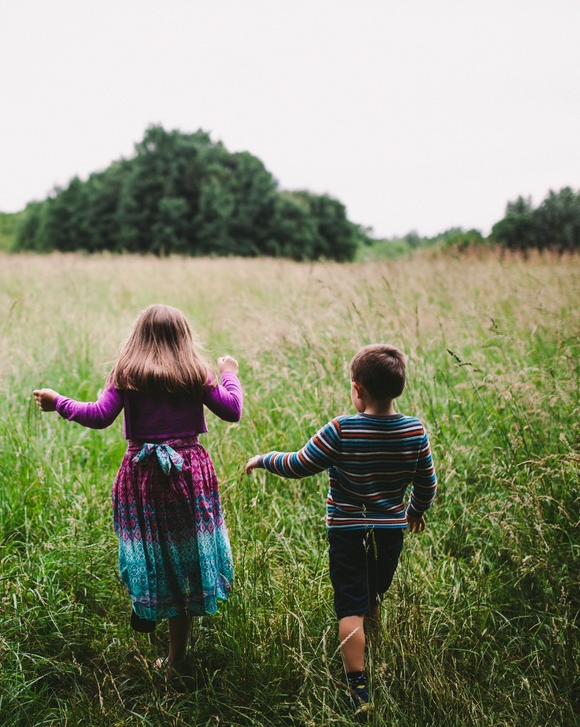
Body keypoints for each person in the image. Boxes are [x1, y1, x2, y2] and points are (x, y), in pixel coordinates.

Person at [33, 304, 243, 678]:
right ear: (185, 339)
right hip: (187, 474)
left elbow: (98, 416)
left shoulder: (127, 373)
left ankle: (148, 601)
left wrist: (58, 403)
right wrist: (230, 374)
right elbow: (232, 411)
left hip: (142, 474)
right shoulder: (197, 373)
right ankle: (176, 654)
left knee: (149, 548)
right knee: (184, 553)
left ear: (137, 337)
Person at [244, 343, 436, 717]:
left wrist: (264, 459)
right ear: (400, 387)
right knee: (373, 590)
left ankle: (358, 688)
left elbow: (300, 463)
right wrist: (414, 511)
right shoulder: (414, 431)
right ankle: (373, 644)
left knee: (350, 604)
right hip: (390, 532)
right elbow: (427, 484)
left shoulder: (342, 429)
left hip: (348, 531)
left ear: (357, 389)